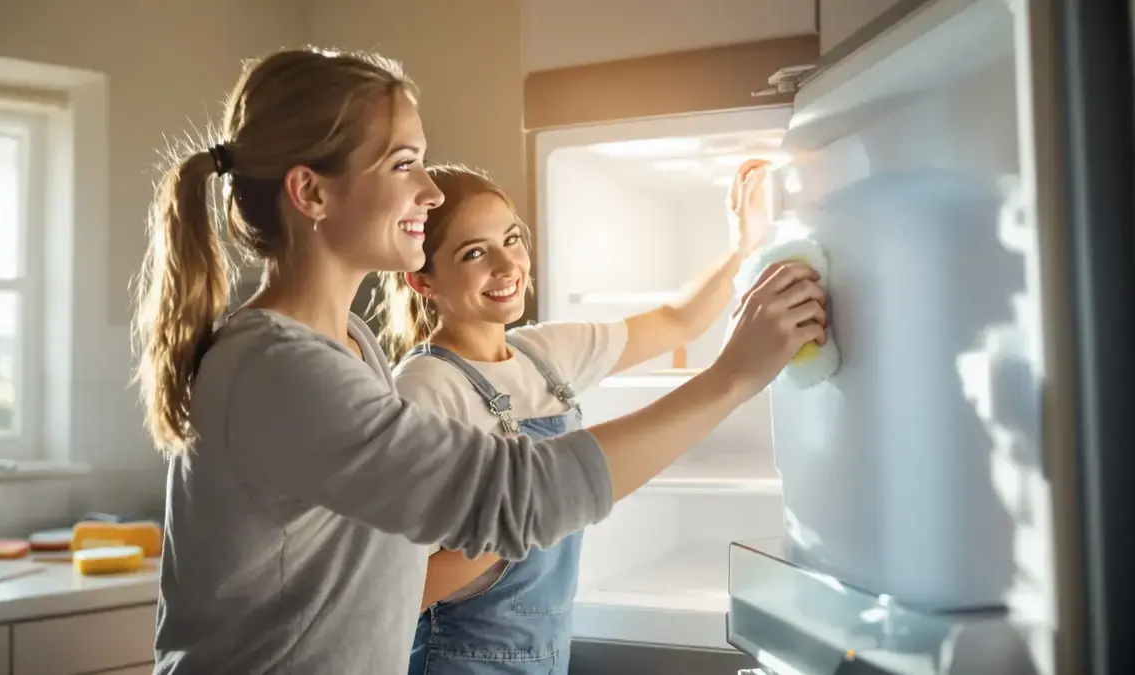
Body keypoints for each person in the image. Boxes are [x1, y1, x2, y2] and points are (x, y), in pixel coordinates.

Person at [132, 46, 826, 675]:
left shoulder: (348, 344)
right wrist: (733, 376)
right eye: (403, 163)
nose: (430, 193)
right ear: (311, 192)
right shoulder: (279, 371)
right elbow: (516, 497)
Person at [373, 162, 778, 674]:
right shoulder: (427, 389)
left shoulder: (544, 353)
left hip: (545, 655)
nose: (507, 265)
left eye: (511, 239)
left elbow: (679, 321)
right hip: (462, 660)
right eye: (474, 252)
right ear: (421, 278)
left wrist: (744, 245)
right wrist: (536, 510)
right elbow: (401, 587)